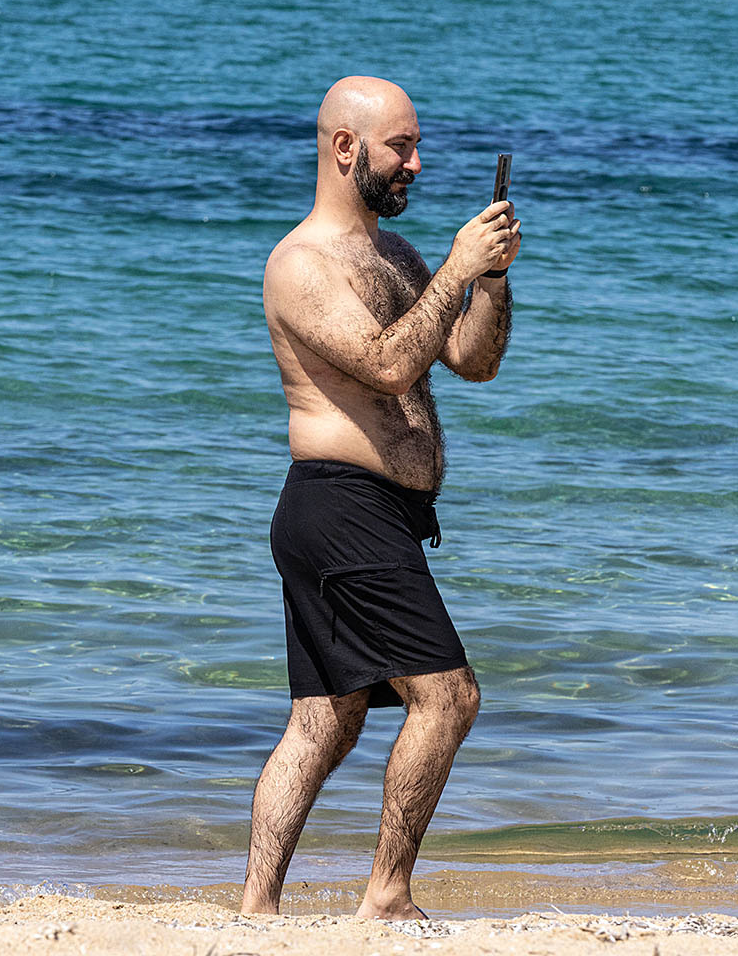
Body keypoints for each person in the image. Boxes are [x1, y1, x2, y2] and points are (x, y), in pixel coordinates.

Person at [240, 76, 521, 920]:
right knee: (449, 697)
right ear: (344, 148)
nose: (417, 163)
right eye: (401, 146)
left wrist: (489, 279)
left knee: (324, 722)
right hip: (339, 506)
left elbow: (472, 361)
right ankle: (387, 894)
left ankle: (257, 907)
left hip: (374, 513)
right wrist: (456, 267)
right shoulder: (301, 264)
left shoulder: (394, 255)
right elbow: (391, 365)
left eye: (417, 145)